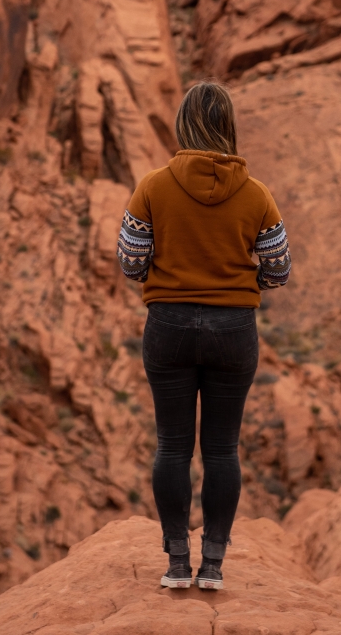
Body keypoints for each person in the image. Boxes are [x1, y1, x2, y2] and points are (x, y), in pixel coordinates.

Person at [116, 80, 291, 590]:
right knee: (221, 450)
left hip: (167, 325)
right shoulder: (257, 194)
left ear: (183, 124)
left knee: (172, 446)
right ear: (228, 126)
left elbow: (130, 261)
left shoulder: (153, 186)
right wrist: (240, 283)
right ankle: (212, 565)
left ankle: (175, 564)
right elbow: (279, 269)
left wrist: (167, 269)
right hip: (234, 329)